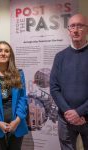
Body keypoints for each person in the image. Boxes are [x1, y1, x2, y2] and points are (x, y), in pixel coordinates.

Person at [50, 13, 88, 150]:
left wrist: (80, 112)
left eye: (80, 26)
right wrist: (69, 112)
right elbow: (54, 88)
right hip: (65, 119)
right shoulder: (60, 57)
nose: (76, 30)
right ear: (68, 30)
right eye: (72, 26)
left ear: (87, 29)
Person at [0, 41, 28, 150]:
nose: (3, 53)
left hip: (16, 123)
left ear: (10, 54)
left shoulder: (19, 74)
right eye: (0, 50)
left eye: (6, 51)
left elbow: (22, 99)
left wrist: (17, 121)